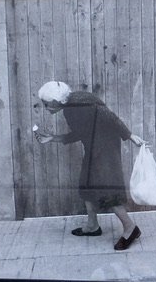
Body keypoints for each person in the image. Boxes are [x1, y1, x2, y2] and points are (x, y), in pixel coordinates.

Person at [34, 81, 144, 250]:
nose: (46, 107)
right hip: (94, 147)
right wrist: (53, 138)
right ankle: (92, 226)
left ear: (56, 101)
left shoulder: (79, 104)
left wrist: (129, 135)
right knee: (86, 185)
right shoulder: (71, 105)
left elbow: (110, 117)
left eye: (47, 104)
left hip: (106, 148)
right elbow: (80, 133)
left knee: (108, 189)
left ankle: (130, 228)